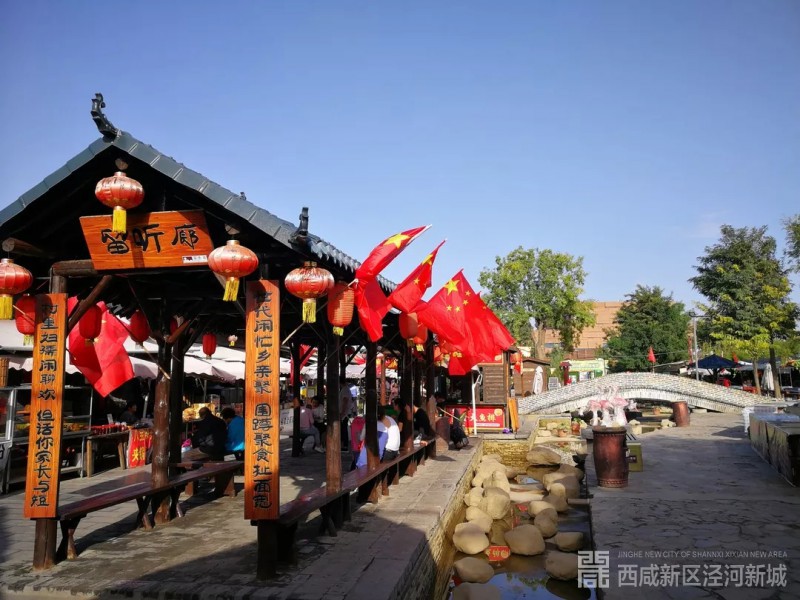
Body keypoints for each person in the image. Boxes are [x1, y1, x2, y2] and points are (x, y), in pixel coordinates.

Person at [339, 376, 354, 450]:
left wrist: (342, 413)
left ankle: (344, 445)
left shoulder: (345, 390)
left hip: (345, 413)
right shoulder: (346, 389)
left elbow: (345, 401)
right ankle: (344, 445)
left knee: (343, 429)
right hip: (345, 412)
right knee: (343, 428)